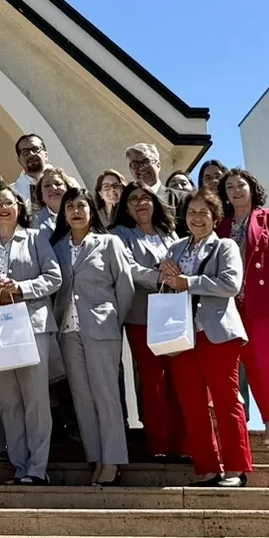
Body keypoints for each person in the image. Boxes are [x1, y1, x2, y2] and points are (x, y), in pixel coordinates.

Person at [159, 192, 249, 487]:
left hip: (217, 333)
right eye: (191, 212)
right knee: (191, 404)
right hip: (181, 335)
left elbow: (231, 284)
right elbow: (167, 286)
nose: (196, 217)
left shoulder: (225, 246)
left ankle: (236, 469)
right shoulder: (175, 248)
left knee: (226, 401)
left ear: (214, 216)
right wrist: (166, 277)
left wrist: (189, 282)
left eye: (203, 212)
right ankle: (209, 468)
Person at [0, 184, 60, 485]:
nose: (3, 207)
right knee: (8, 401)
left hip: (31, 324)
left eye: (8, 202)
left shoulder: (36, 238)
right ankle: (20, 466)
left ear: (19, 207)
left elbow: (54, 277)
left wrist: (21, 288)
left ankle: (38, 467)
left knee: (35, 398)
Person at [52, 187, 133, 487]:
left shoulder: (109, 242)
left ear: (91, 210)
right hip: (68, 331)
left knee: (106, 396)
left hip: (102, 328)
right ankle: (96, 457)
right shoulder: (57, 247)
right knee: (82, 399)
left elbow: (124, 288)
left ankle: (113, 461)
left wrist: (111, 319)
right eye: (70, 205)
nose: (75, 210)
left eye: (81, 205)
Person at [221, 167, 269, 447]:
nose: (236, 190)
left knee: (266, 358)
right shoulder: (222, 225)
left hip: (268, 302)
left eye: (240, 184)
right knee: (251, 365)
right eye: (229, 187)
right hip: (236, 306)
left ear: (252, 187)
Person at [111, 183, 184, 462]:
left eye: (145, 198)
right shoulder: (120, 235)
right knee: (153, 380)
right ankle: (158, 443)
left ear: (154, 202)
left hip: (173, 313)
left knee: (177, 380)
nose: (140, 203)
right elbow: (128, 269)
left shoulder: (170, 233)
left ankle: (183, 442)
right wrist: (160, 275)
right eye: (133, 200)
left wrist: (174, 272)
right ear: (126, 207)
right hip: (142, 316)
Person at [124, 144, 192, 234]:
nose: (141, 167)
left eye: (146, 161)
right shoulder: (124, 204)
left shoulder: (181, 199)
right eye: (135, 164)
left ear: (158, 165)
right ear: (131, 170)